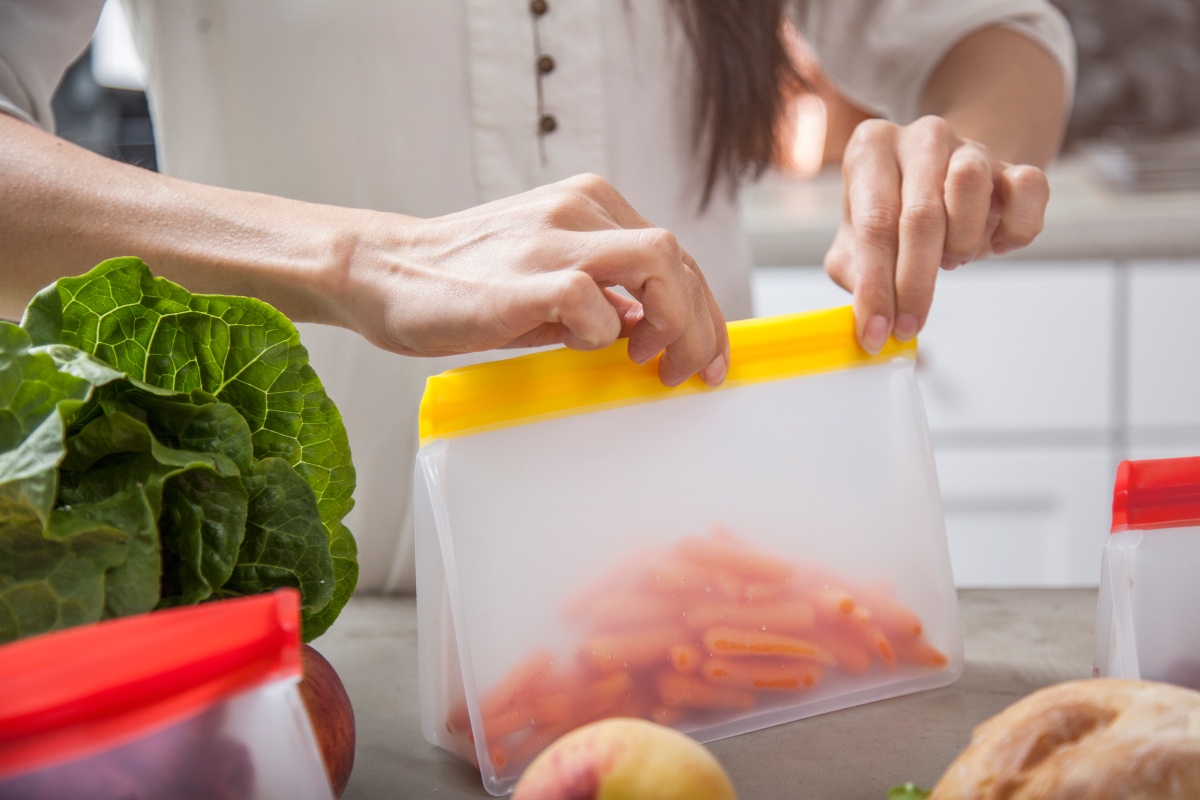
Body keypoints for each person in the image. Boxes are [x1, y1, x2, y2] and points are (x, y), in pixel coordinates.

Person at [0, 1, 1074, 593]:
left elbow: (992, 32)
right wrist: (367, 260)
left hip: (722, 599)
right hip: (330, 626)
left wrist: (961, 155)